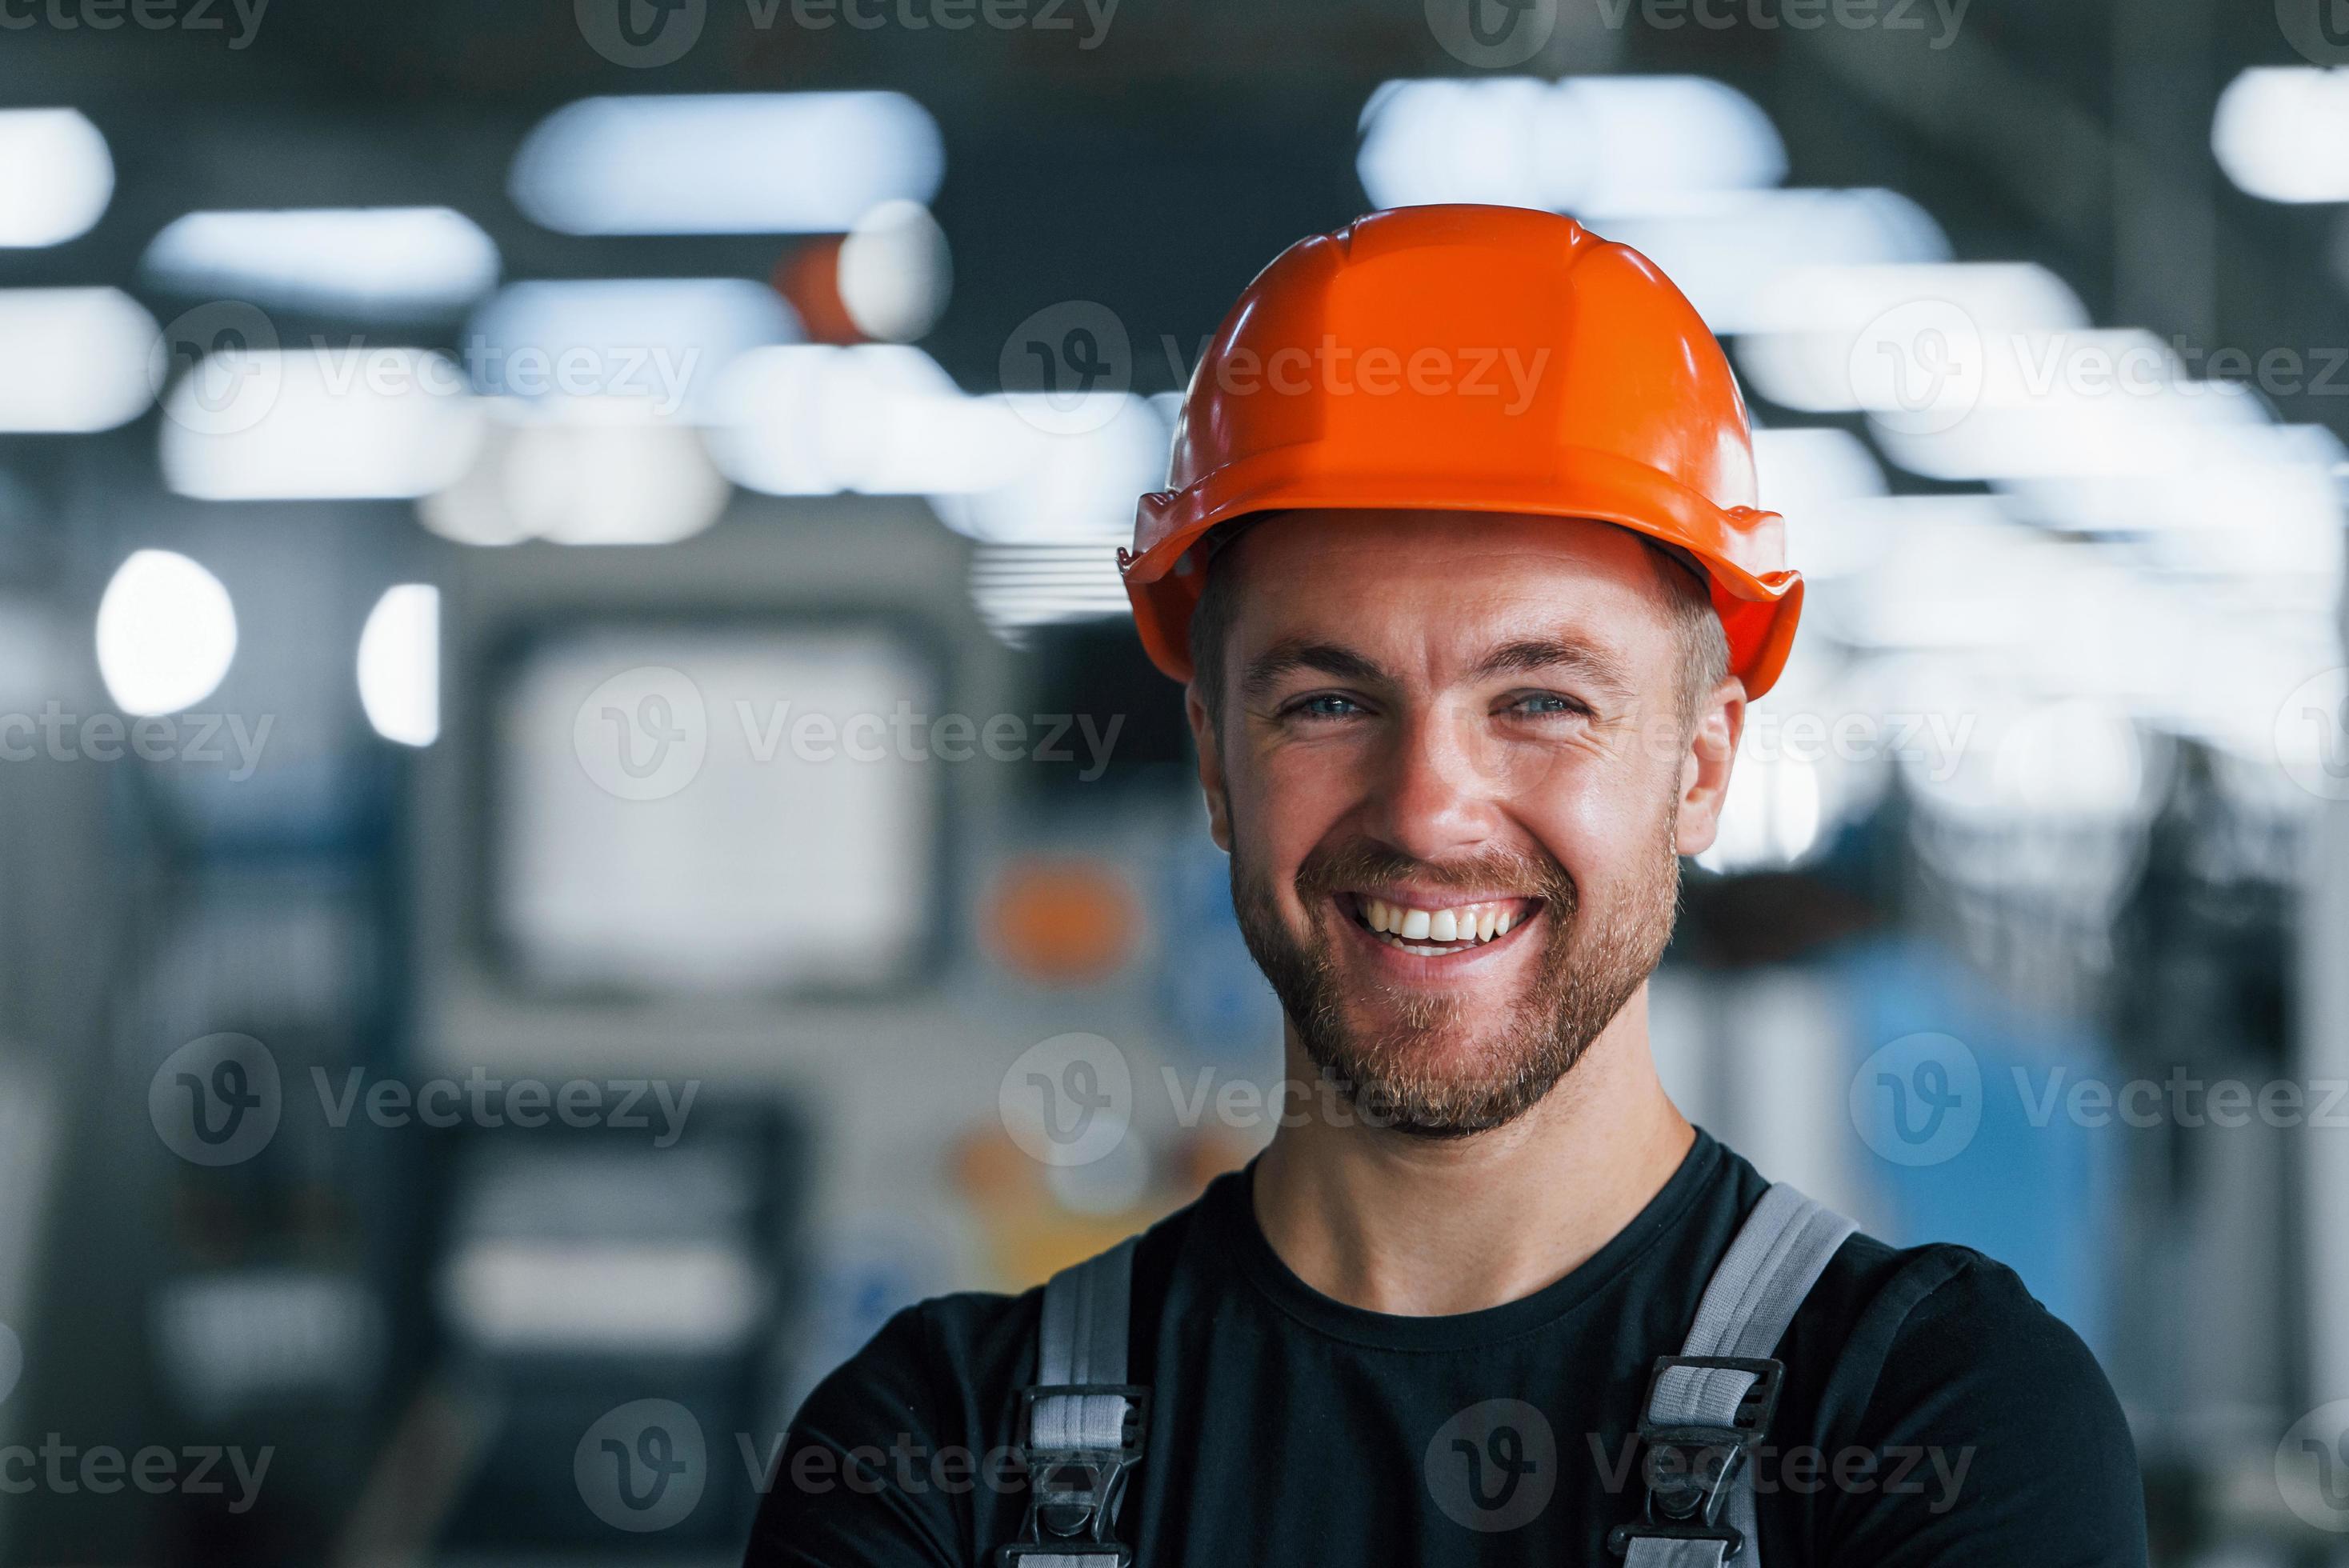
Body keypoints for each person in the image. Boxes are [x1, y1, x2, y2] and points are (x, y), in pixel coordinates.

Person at [745, 205, 2147, 1566]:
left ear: (1704, 765)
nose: (1427, 809)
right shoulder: (932, 1454)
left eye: (1538, 700)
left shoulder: (1934, 1428)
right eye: (1327, 704)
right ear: (1217, 767)